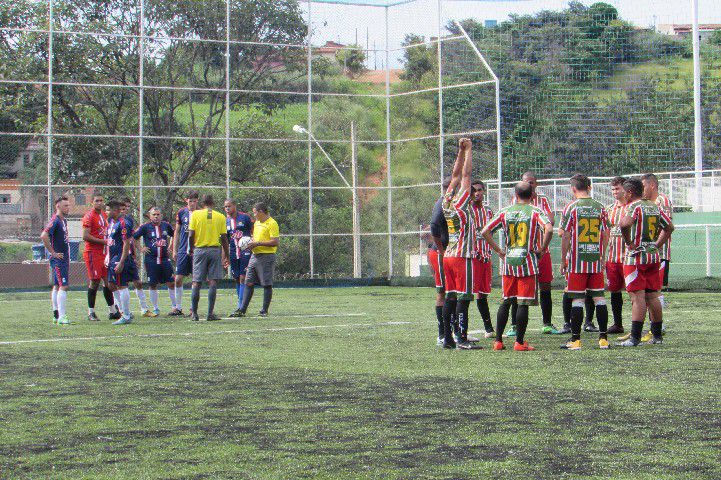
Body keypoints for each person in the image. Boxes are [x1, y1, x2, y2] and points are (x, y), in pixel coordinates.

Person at [482, 181, 553, 351]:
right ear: (532, 195)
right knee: (523, 303)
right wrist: (542, 249)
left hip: (509, 262)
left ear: (515, 195)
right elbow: (549, 229)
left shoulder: (505, 212)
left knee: (506, 301)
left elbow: (485, 231)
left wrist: (499, 250)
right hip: (527, 262)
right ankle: (519, 343)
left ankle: (498, 341)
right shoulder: (536, 211)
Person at [617, 178, 674, 346]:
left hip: (636, 257)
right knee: (653, 295)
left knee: (637, 297)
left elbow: (625, 223)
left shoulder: (634, 207)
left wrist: (628, 242)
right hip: (652, 256)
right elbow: (669, 227)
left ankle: (635, 338)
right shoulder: (654, 206)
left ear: (629, 193)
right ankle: (657, 336)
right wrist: (656, 245)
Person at [558, 174, 610, 350]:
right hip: (595, 260)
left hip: (577, 262)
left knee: (578, 301)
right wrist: (602, 255)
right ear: (589, 187)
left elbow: (565, 234)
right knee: (599, 299)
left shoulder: (571, 208)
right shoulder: (600, 207)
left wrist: (563, 259)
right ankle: (603, 339)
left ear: (573, 189)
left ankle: (576, 340)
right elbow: (605, 233)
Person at [439, 138, 480, 350]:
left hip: (448, 255)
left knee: (450, 297)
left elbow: (455, 176)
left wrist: (460, 152)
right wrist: (469, 150)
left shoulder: (445, 201)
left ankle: (448, 338)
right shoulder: (462, 203)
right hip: (462, 256)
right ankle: (462, 338)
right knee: (463, 298)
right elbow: (465, 175)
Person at [507, 171, 560, 336]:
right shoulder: (515, 200)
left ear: (536, 184)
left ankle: (547, 324)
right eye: (525, 182)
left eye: (531, 182)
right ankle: (514, 325)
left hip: (542, 250)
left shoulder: (542, 200)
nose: (528, 185)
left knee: (545, 286)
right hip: (522, 251)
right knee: (517, 288)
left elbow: (550, 221)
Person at [640, 173, 673, 341]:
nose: (642, 190)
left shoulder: (662, 201)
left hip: (659, 255)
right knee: (647, 292)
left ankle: (658, 328)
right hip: (648, 255)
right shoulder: (646, 203)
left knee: (655, 292)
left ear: (652, 185)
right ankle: (652, 327)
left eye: (643, 186)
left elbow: (666, 227)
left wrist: (654, 246)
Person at [188, 194, 230, 321]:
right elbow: (224, 238)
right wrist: (227, 255)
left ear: (202, 203)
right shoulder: (221, 216)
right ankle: (210, 314)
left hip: (199, 250)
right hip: (214, 250)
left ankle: (194, 314)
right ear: (213, 203)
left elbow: (190, 234)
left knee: (196, 282)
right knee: (212, 282)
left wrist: (191, 248)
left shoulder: (195, 214)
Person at [81, 194, 120, 321]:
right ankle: (91, 312)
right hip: (93, 252)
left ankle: (113, 311)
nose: (99, 203)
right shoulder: (89, 216)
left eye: (101, 200)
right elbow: (85, 236)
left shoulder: (104, 215)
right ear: (92, 202)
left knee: (108, 282)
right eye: (97, 201)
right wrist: (103, 242)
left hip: (104, 253)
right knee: (95, 281)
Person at [238, 202, 280, 318]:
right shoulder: (256, 223)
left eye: (255, 212)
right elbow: (256, 238)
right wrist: (250, 242)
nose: (254, 215)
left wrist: (258, 243)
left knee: (266, 284)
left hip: (267, 256)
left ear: (261, 212)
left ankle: (264, 310)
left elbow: (275, 242)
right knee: (248, 282)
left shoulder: (272, 223)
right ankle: (242, 310)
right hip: (254, 256)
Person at [133, 207, 177, 316]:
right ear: (150, 215)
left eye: (158, 214)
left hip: (165, 259)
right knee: (152, 284)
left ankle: (175, 307)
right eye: (154, 214)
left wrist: (171, 246)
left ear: (161, 215)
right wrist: (140, 248)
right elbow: (134, 238)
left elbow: (175, 235)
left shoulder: (166, 225)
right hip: (151, 260)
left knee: (171, 282)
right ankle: (155, 308)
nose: (156, 216)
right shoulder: (145, 227)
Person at [106, 199, 138, 325]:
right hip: (113, 258)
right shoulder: (112, 223)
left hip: (120, 258)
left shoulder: (123, 223)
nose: (106, 212)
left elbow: (126, 243)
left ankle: (126, 315)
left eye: (108, 209)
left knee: (121, 285)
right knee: (111, 284)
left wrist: (121, 261)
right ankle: (124, 312)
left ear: (115, 210)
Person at [428, 177, 452, 345]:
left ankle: (454, 332)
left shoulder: (450, 203)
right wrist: (441, 250)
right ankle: (442, 334)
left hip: (449, 253)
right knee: (443, 292)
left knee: (452, 292)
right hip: (441, 253)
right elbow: (434, 226)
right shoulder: (442, 203)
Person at [41, 197, 72, 325]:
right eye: (65, 206)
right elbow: (44, 235)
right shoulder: (55, 220)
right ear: (58, 206)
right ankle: (62, 316)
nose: (68, 208)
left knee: (57, 285)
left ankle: (56, 315)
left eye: (68, 205)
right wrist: (52, 252)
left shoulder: (63, 220)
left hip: (63, 258)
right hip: (59, 259)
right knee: (64, 286)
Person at [471, 180, 495, 338]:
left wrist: (490, 250)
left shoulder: (488, 211)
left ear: (484, 191)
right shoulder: (467, 211)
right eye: (474, 191)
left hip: (486, 257)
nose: (477, 193)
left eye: (480, 190)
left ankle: (489, 329)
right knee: (466, 294)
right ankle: (459, 329)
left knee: (483, 293)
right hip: (472, 257)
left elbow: (490, 233)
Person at [120, 198, 152, 316]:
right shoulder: (114, 221)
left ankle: (144, 308)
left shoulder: (129, 220)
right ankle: (121, 310)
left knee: (137, 281)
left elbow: (132, 239)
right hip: (117, 257)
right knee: (119, 284)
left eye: (128, 207)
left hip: (129, 256)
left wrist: (136, 253)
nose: (126, 210)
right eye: (124, 207)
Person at [605, 176, 628, 334]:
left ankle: (637, 324)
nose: (615, 192)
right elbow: (605, 233)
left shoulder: (632, 208)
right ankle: (617, 324)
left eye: (617, 188)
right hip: (613, 257)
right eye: (613, 189)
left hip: (629, 257)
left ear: (625, 189)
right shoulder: (609, 210)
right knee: (614, 291)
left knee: (635, 292)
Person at [224, 199, 254, 317]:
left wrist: (252, 243)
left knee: (243, 277)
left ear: (235, 206)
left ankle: (241, 306)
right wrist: (225, 257)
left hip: (245, 252)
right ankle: (240, 303)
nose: (227, 208)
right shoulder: (225, 221)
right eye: (225, 207)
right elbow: (225, 241)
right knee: (236, 278)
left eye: (229, 206)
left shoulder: (245, 218)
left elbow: (253, 231)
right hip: (233, 252)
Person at [172, 190, 199, 316]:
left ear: (197, 201)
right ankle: (177, 307)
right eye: (190, 200)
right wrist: (174, 249)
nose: (192, 203)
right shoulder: (181, 212)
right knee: (178, 278)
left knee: (195, 279)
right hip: (183, 250)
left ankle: (193, 309)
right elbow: (177, 232)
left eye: (194, 201)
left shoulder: (200, 213)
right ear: (186, 200)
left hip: (197, 250)